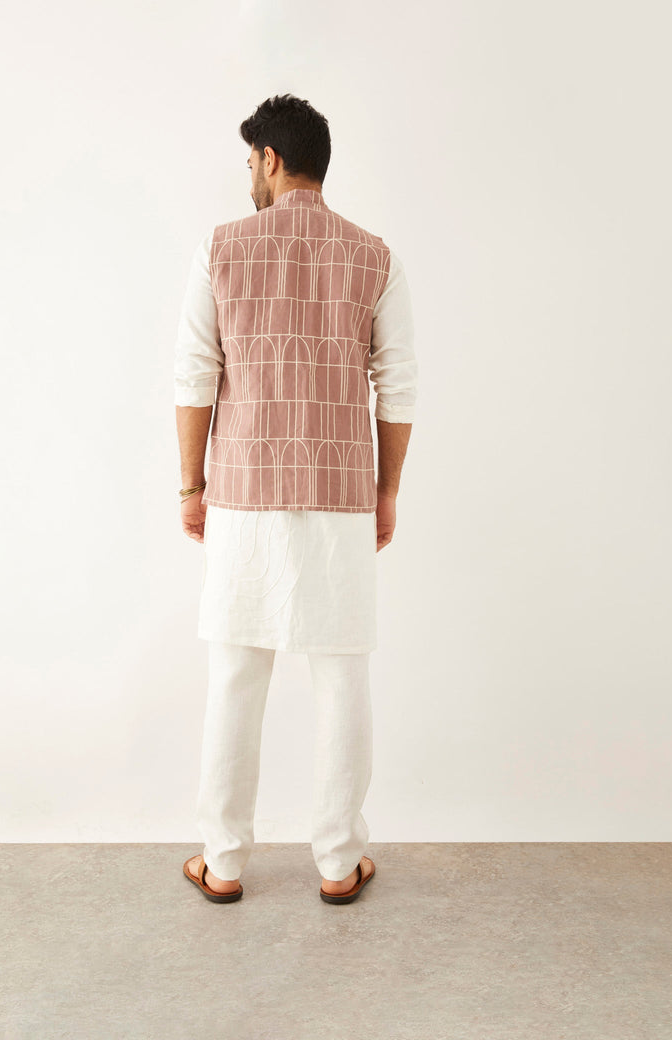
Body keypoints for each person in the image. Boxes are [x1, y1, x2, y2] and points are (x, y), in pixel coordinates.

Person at [174, 93, 418, 904]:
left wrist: (192, 485)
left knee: (235, 677)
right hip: (341, 497)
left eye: (251, 160)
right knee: (342, 679)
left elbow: (194, 376)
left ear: (272, 159)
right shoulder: (375, 257)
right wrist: (387, 490)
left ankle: (224, 862)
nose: (249, 173)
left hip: (244, 493)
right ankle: (339, 864)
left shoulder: (220, 249)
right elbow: (398, 386)